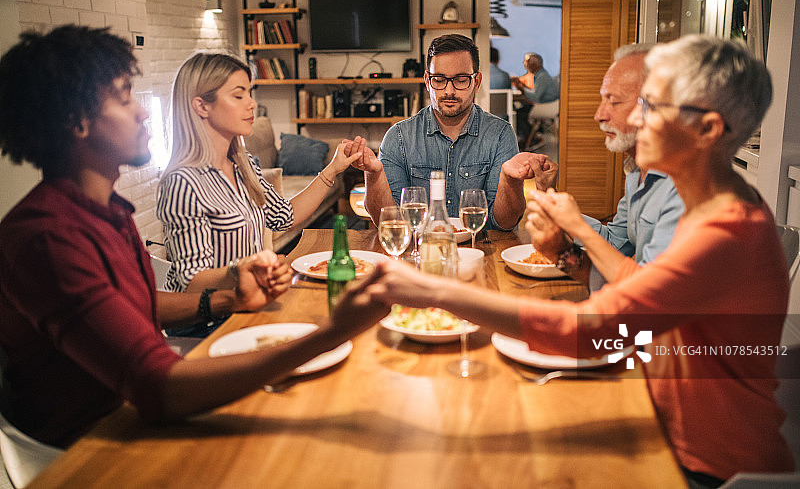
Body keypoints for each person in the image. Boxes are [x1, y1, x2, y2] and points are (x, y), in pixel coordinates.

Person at [365, 35, 794, 486]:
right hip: (651, 403)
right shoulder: (708, 204)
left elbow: (595, 328)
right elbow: (641, 295)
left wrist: (432, 291)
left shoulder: (721, 231)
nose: (613, 118)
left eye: (650, 106)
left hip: (700, 463)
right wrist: (568, 255)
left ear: (706, 130)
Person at [0, 25, 389, 449]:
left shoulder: (110, 210)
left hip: (136, 414)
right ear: (76, 121)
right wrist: (332, 334)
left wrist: (229, 298)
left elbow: (144, 305)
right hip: (91, 446)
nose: (144, 112)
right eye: (123, 96)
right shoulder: (46, 237)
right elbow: (157, 386)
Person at [157, 53, 363, 335]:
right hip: (209, 326)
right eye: (238, 95)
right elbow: (192, 280)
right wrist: (244, 270)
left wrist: (333, 169)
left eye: (250, 93)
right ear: (201, 106)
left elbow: (285, 217)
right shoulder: (183, 182)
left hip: (251, 309)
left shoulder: (244, 166)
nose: (252, 103)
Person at [345, 34, 557, 230]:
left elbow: (503, 223)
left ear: (476, 82)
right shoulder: (399, 136)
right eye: (439, 79)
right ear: (428, 81)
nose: (449, 91)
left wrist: (510, 180)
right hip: (419, 254)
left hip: (482, 252)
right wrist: (373, 175)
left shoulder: (500, 134)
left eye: (461, 79)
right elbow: (390, 220)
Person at [529, 44, 684, 291]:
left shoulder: (685, 187)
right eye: (603, 99)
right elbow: (614, 243)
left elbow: (649, 293)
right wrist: (556, 210)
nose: (599, 115)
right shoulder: (636, 172)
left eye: (614, 102)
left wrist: (576, 228)